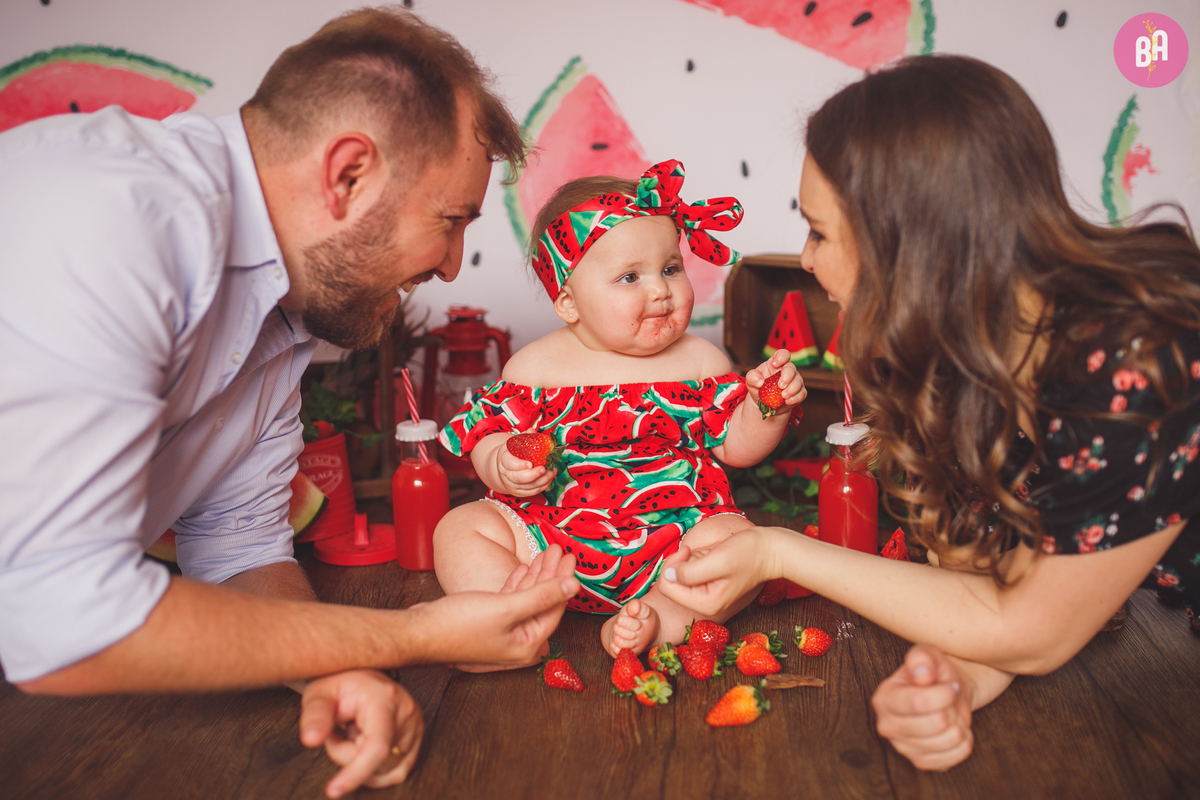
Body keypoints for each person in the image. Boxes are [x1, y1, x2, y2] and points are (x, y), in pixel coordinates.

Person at [0, 9, 582, 799]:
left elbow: (238, 548)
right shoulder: (117, 222)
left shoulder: (283, 316)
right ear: (348, 175)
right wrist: (411, 636)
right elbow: (61, 624)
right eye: (450, 223)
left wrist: (337, 670)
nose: (450, 269)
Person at [658, 55, 1200, 770]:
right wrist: (961, 677)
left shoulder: (1141, 359)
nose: (807, 259)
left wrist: (775, 550)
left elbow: (1034, 627)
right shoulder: (979, 365)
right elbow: (996, 594)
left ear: (910, 250)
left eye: (819, 233)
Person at [434, 161, 806, 659]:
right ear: (569, 302)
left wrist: (766, 407)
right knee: (460, 528)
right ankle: (511, 617)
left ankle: (661, 617)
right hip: (548, 538)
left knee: (739, 541)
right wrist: (499, 463)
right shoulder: (535, 368)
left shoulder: (701, 363)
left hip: (676, 538)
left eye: (671, 269)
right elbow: (489, 433)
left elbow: (735, 449)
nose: (659, 290)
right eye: (630, 276)